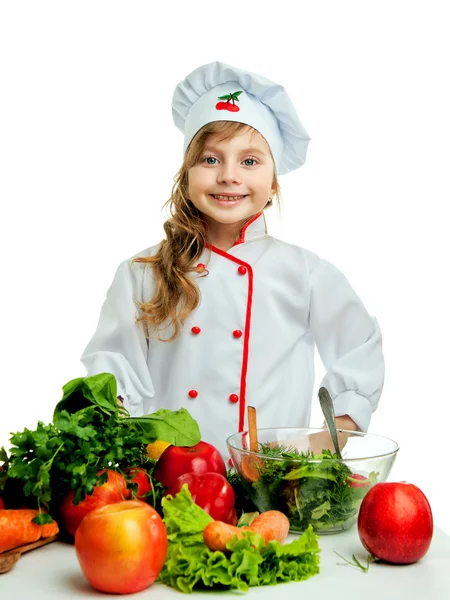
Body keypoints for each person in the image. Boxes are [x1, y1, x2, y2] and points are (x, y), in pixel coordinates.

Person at [81, 61, 384, 458]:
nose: (229, 176)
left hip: (269, 483)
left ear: (273, 182)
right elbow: (113, 371)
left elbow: (359, 349)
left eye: (250, 161)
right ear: (186, 174)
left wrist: (327, 439)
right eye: (210, 160)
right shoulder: (142, 273)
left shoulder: (305, 273)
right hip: (165, 479)